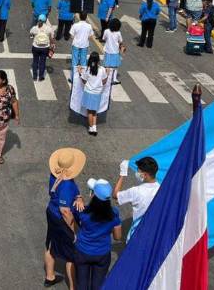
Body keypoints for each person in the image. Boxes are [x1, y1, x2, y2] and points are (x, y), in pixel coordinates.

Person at [45, 147, 86, 289]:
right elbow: (65, 211)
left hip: (51, 211)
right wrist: (72, 232)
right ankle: (73, 287)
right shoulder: (67, 185)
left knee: (50, 245)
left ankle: (49, 276)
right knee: (71, 255)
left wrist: (78, 196)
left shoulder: (54, 174)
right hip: (60, 217)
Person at [75, 178, 122, 289]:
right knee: (98, 284)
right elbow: (117, 236)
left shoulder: (83, 212)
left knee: (82, 284)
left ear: (93, 195)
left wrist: (79, 199)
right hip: (102, 253)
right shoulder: (114, 214)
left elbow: (76, 221)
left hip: (82, 251)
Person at [113, 156, 159, 242]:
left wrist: (122, 174)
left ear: (145, 175)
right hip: (153, 235)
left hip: (136, 236)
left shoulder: (136, 191)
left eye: (138, 171)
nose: (137, 172)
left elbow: (115, 195)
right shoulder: (162, 188)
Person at [79, 52, 107, 136]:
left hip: (88, 92)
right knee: (94, 111)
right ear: (98, 60)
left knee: (89, 112)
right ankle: (94, 127)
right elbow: (104, 81)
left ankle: (91, 128)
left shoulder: (88, 69)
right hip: (97, 92)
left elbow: (84, 80)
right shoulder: (102, 69)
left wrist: (80, 72)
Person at [69, 13, 94, 83]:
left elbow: (71, 35)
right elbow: (91, 36)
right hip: (84, 45)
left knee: (74, 61)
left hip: (76, 45)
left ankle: (73, 78)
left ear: (79, 17)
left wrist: (76, 39)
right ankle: (82, 77)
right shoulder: (89, 26)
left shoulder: (75, 25)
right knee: (83, 62)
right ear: (86, 17)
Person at [30, 14, 55, 81]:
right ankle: (41, 77)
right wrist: (52, 44)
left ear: (38, 19)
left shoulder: (35, 28)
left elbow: (31, 34)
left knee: (35, 61)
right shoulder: (49, 29)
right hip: (45, 48)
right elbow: (52, 37)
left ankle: (35, 76)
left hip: (35, 47)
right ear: (45, 20)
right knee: (42, 62)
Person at [102, 18, 124, 86]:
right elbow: (121, 41)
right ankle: (114, 79)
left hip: (107, 50)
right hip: (115, 51)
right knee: (115, 67)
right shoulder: (118, 33)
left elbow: (103, 38)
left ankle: (105, 77)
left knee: (107, 65)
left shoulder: (106, 31)